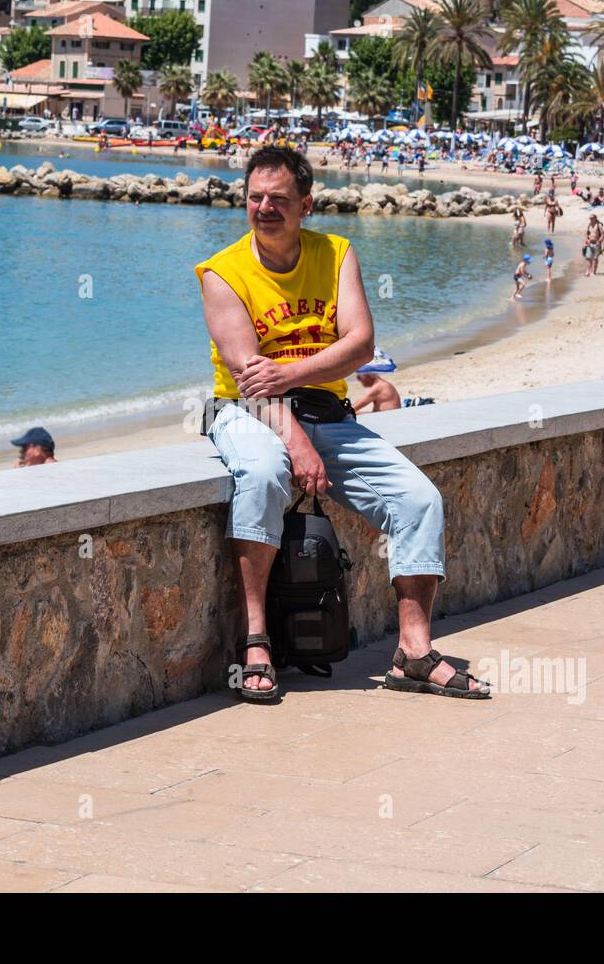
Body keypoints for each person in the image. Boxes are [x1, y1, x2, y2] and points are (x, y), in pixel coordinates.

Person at [196, 145, 488, 701]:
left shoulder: (336, 253)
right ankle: (256, 640)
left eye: (278, 199)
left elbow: (360, 345)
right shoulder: (221, 273)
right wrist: (296, 441)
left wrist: (291, 374)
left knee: (419, 500)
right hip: (245, 409)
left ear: (306, 204)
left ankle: (413, 652)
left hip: (324, 410)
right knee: (262, 475)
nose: (264, 208)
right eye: (254, 197)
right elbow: (248, 378)